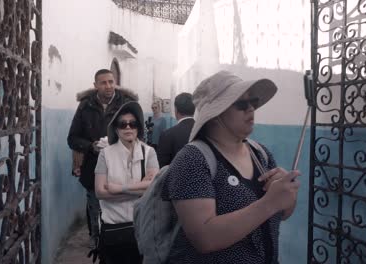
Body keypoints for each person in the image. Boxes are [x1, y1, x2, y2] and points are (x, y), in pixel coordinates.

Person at [161, 71, 301, 263]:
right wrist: (270, 202)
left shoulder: (261, 154)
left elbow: (283, 213)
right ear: (217, 113)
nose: (251, 109)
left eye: (253, 102)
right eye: (241, 104)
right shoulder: (192, 160)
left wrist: (287, 195)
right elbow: (204, 238)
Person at [67, 69, 138, 248]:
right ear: (95, 85)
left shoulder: (127, 104)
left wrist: (118, 144)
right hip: (93, 167)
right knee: (95, 206)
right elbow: (73, 138)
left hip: (122, 167)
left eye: (111, 82)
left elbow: (139, 136)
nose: (108, 86)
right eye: (103, 83)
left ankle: (120, 241)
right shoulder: (85, 106)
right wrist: (91, 146)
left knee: (121, 206)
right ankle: (97, 241)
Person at [95, 101, 159, 264]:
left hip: (142, 229)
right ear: (116, 129)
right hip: (114, 229)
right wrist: (140, 190)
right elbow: (100, 192)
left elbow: (154, 189)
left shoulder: (149, 152)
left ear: (138, 127)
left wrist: (118, 189)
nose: (128, 128)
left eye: (133, 124)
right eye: (123, 124)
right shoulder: (105, 154)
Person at [157, 92, 195, 167]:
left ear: (176, 110)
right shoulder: (206, 132)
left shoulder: (167, 135)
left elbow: (162, 169)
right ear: (194, 110)